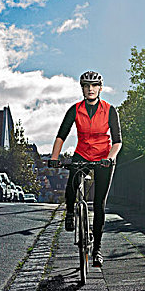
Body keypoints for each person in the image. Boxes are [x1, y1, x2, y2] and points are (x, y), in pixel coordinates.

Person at [48, 70, 122, 267]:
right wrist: (54, 157)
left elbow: (117, 141)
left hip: (104, 157)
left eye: (94, 85)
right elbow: (61, 135)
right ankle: (70, 212)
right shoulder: (75, 109)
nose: (90, 89)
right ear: (82, 88)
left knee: (99, 204)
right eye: (86, 86)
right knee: (72, 182)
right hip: (82, 153)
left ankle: (96, 249)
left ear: (100, 88)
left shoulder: (109, 110)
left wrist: (109, 158)